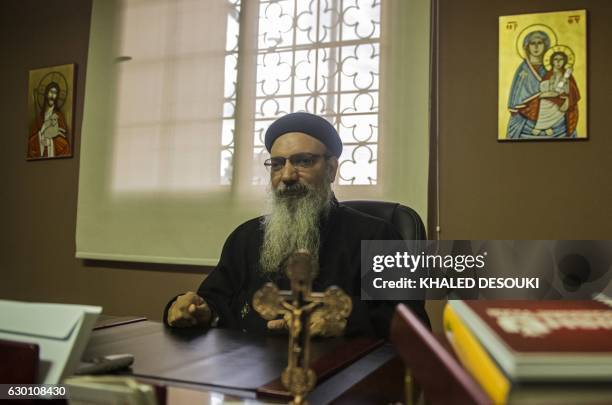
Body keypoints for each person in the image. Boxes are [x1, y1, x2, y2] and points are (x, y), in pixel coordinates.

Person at [164, 112, 429, 338]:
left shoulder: (378, 235)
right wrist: (195, 310)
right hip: (250, 379)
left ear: (331, 169)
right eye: (277, 164)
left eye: (303, 161)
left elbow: (411, 323)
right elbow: (215, 301)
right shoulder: (245, 237)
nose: (287, 175)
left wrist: (343, 321)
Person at [506, 31, 551, 139]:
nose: (536, 47)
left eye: (539, 43)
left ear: (545, 46)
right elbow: (516, 97)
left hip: (549, 114)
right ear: (527, 46)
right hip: (524, 118)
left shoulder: (551, 68)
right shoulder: (523, 70)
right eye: (532, 43)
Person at [533, 49, 580, 137]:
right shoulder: (548, 74)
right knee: (543, 102)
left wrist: (565, 96)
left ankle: (543, 126)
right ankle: (545, 126)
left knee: (551, 104)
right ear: (552, 61)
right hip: (549, 95)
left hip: (561, 99)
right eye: (555, 59)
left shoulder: (566, 75)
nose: (558, 62)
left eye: (561, 59)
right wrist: (548, 92)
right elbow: (543, 87)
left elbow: (572, 91)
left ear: (565, 61)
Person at [27, 81, 71, 158]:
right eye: (51, 92)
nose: (52, 95)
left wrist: (50, 141)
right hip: (41, 149)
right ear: (46, 94)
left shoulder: (58, 115)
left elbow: (63, 137)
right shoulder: (39, 117)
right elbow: (31, 140)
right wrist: (41, 136)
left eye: (55, 93)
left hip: (53, 149)